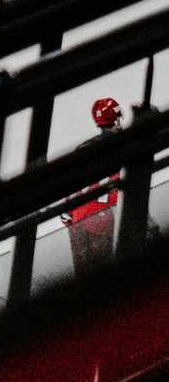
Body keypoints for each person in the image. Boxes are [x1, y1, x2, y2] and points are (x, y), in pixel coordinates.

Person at [62, 97, 124, 275]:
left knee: (89, 289)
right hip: (106, 218)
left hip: (77, 223)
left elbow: (65, 212)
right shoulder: (125, 144)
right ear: (117, 118)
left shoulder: (82, 150)